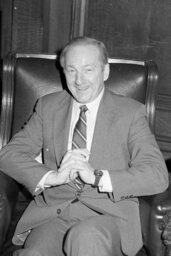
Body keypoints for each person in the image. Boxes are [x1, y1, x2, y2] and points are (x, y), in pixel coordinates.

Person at [0, 37, 168, 256]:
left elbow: (157, 175)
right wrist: (52, 177)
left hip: (108, 216)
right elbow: (9, 155)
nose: (79, 81)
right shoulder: (48, 107)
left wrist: (97, 177)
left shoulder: (130, 113)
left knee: (86, 238)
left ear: (105, 72)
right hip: (54, 215)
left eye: (88, 69)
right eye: (71, 70)